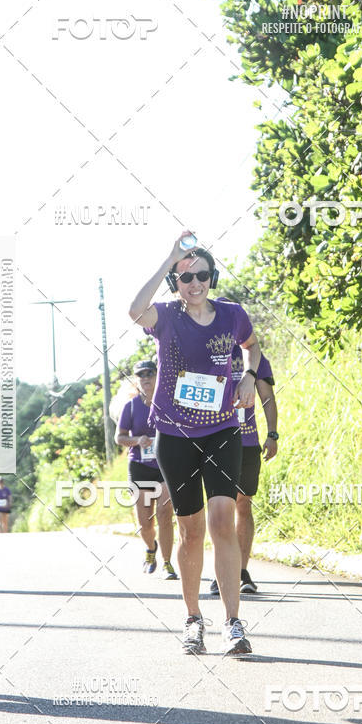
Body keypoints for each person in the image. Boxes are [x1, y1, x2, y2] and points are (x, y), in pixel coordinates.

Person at [129, 232, 261, 656]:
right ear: (176, 282)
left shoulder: (232, 314)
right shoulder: (166, 316)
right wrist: (170, 257)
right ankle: (193, 619)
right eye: (185, 277)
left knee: (222, 520)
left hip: (222, 430)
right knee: (190, 529)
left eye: (202, 275)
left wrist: (249, 375)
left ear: (212, 278)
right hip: (175, 435)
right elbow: (134, 310)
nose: (195, 283)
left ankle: (233, 622)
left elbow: (252, 347)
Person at [209, 334, 278, 595]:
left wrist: (272, 434)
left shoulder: (255, 358)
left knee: (243, 504)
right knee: (220, 507)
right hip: (214, 439)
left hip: (247, 441)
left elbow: (267, 397)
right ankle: (221, 571)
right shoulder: (209, 352)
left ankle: (241, 571)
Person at [114, 360, 177, 580]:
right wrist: (137, 440)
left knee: (165, 514)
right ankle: (151, 549)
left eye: (150, 373)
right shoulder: (131, 407)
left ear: (157, 375)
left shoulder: (167, 402)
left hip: (165, 466)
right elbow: (119, 437)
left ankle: (167, 563)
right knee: (145, 522)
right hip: (140, 467)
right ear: (136, 380)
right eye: (141, 375)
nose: (146, 378)